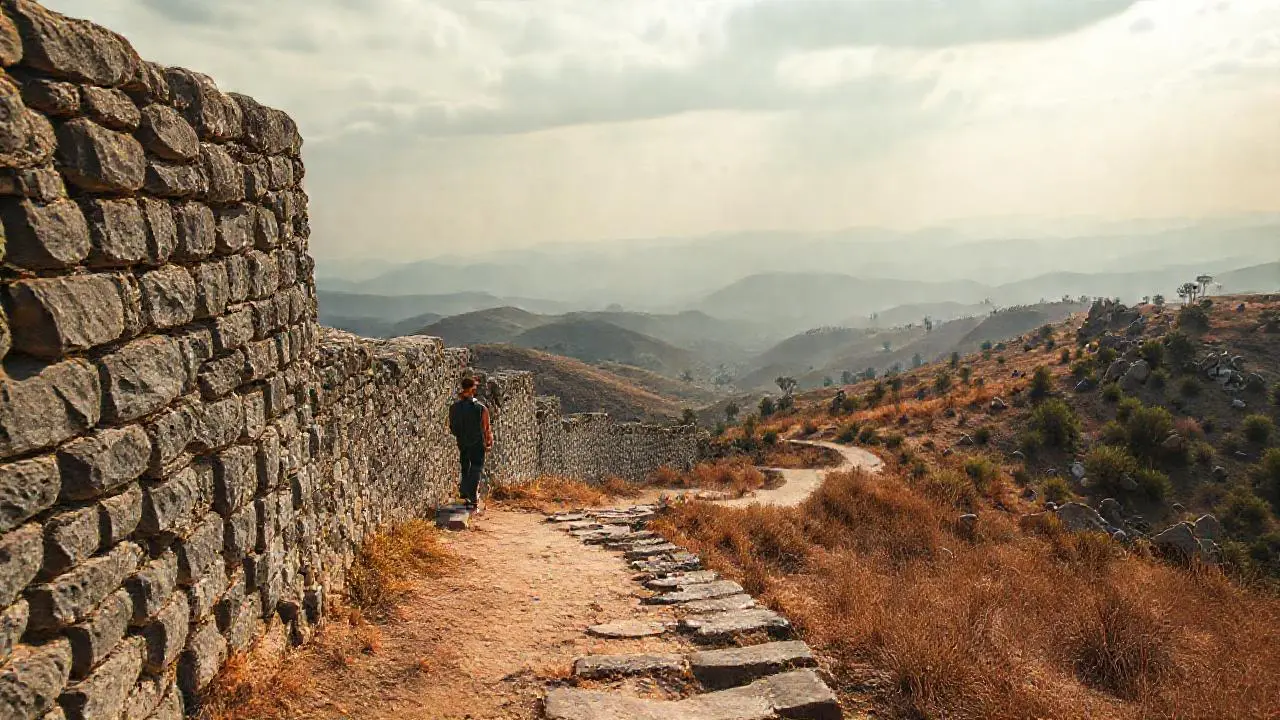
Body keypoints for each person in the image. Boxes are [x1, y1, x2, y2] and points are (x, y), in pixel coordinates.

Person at [448, 377, 493, 510]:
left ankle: (464, 493)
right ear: (473, 389)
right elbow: (486, 427)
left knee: (465, 466)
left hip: (462, 442)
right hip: (477, 442)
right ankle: (472, 497)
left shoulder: (454, 408)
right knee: (476, 467)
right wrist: (488, 442)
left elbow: (452, 426)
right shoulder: (480, 408)